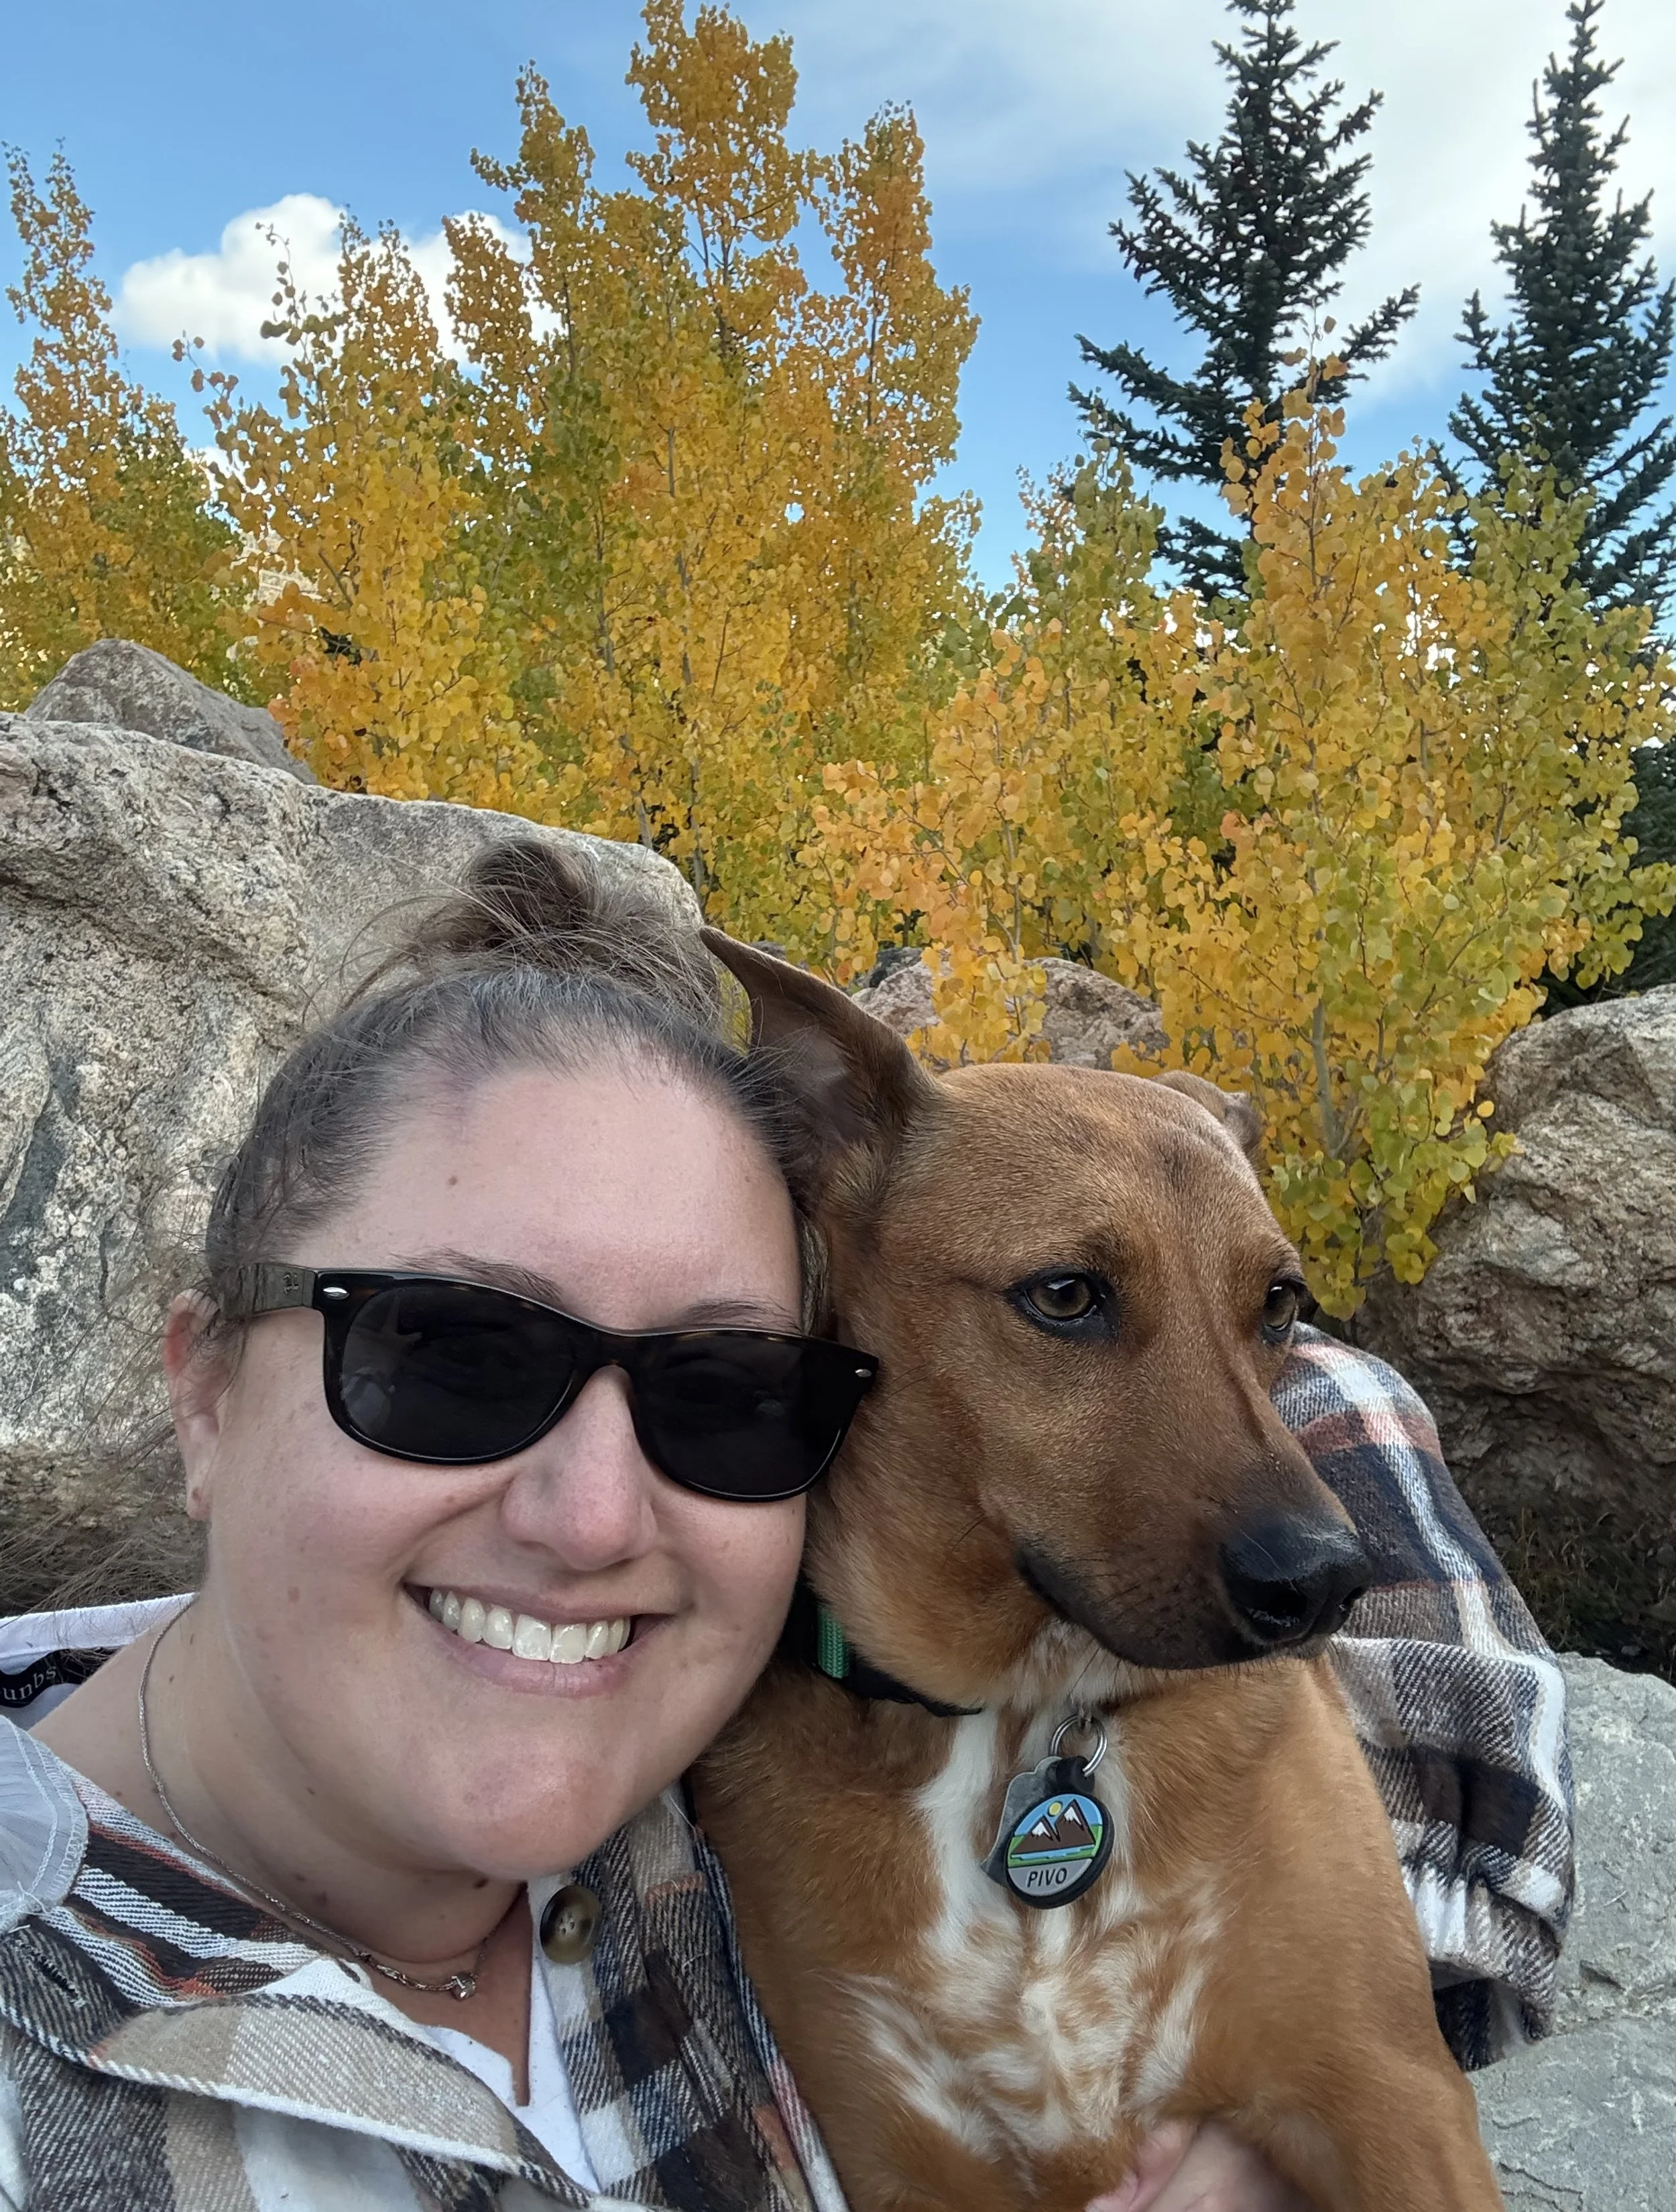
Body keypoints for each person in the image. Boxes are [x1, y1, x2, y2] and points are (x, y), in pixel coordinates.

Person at [0, 841, 1569, 2212]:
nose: (590, 1514)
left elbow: (1311, 1420)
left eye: (724, 1386)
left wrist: (1304, 2056)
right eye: (450, 1355)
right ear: (200, 1390)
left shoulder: (657, 1727)